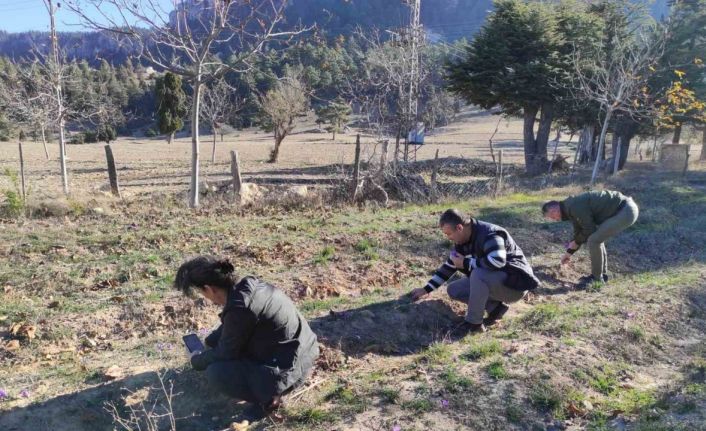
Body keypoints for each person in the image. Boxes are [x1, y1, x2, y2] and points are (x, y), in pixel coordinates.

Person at [174, 256, 319, 417]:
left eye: (202, 293)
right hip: (305, 351)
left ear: (209, 289)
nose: (205, 297)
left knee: (216, 373)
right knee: (222, 350)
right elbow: (233, 326)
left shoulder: (240, 309)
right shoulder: (248, 286)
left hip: (291, 372)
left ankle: (268, 399)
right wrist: (210, 341)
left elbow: (226, 352)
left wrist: (196, 360)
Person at [409, 209, 540, 335]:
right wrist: (426, 289)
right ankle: (495, 308)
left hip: (516, 286)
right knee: (454, 289)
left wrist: (466, 263)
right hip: (498, 282)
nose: (448, 238)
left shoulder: (490, 234)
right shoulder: (462, 240)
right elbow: (449, 267)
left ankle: (474, 324)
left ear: (460, 228)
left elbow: (498, 261)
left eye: (448, 234)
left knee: (479, 274)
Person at [542, 190, 639, 286]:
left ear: (553, 210)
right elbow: (578, 232)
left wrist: (576, 241)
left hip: (625, 211)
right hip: (624, 210)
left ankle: (596, 279)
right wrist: (568, 253)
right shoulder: (570, 208)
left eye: (551, 216)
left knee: (594, 240)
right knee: (596, 239)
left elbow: (589, 229)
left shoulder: (573, 207)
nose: (554, 220)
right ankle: (602, 275)